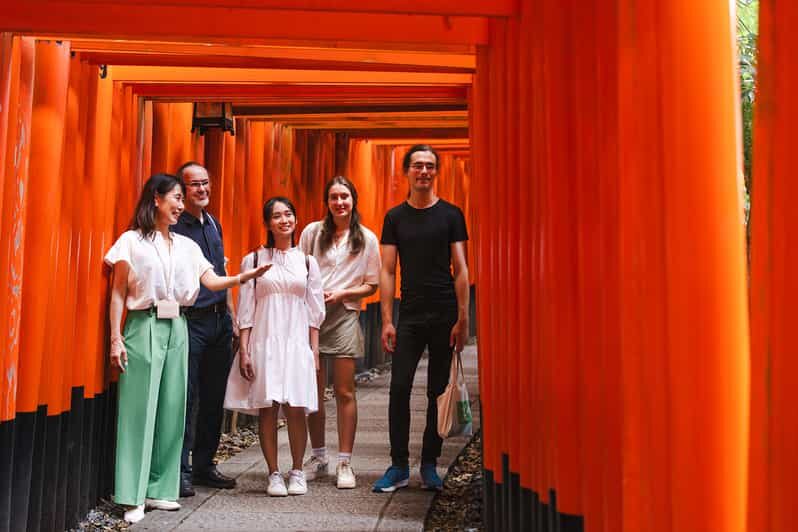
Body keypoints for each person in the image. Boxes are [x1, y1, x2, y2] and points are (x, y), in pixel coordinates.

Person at [105, 174, 270, 524]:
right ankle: (131, 494)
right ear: (156, 200)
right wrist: (115, 338)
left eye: (182, 198)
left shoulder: (185, 246)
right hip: (143, 323)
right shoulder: (131, 241)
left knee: (172, 408)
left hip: (179, 323)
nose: (181, 205)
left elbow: (211, 281)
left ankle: (160, 488)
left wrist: (244, 278)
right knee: (139, 410)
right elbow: (118, 291)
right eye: (176, 198)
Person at [372, 145, 470, 493]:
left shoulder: (451, 215)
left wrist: (463, 318)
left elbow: (460, 269)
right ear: (407, 172)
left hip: (444, 312)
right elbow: (386, 270)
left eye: (430, 166)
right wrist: (387, 319)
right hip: (410, 313)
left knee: (437, 390)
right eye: (418, 166)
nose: (424, 172)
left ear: (436, 172)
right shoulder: (395, 217)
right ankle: (398, 465)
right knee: (399, 388)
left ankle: (430, 463)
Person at [224, 197, 325, 497]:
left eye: (289, 214)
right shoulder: (253, 260)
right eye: (277, 216)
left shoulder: (308, 262)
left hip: (296, 342)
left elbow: (314, 310)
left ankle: (297, 470)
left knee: (296, 407)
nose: (284, 220)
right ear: (268, 223)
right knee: (267, 407)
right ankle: (273, 473)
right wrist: (244, 349)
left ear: (296, 219)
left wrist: (314, 350)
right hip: (264, 340)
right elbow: (246, 309)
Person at [299, 176, 380, 489]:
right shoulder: (311, 233)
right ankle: (319, 456)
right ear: (327, 201)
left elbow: (371, 284)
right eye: (334, 197)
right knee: (314, 392)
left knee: (345, 391)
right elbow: (299, 268)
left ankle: (345, 460)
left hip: (345, 314)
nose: (339, 203)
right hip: (312, 317)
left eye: (344, 196)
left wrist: (343, 293)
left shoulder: (367, 239)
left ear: (353, 199)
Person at [171, 162, 237, 498]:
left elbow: (220, 271)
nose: (202, 190)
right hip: (193, 319)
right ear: (182, 192)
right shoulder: (177, 228)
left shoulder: (213, 224)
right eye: (194, 185)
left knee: (214, 397)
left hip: (219, 320)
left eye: (205, 183)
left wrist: (232, 313)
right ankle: (180, 470)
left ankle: (204, 464)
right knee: (188, 397)